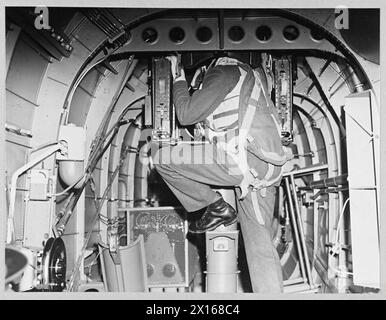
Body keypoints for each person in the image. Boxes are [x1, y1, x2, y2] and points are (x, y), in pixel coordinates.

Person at [153, 53, 287, 293]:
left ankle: (216, 206)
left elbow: (186, 114)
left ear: (205, 68)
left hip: (242, 162)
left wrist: (178, 79)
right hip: (263, 168)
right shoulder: (250, 76)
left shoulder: (222, 72)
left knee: (162, 159)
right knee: (261, 251)